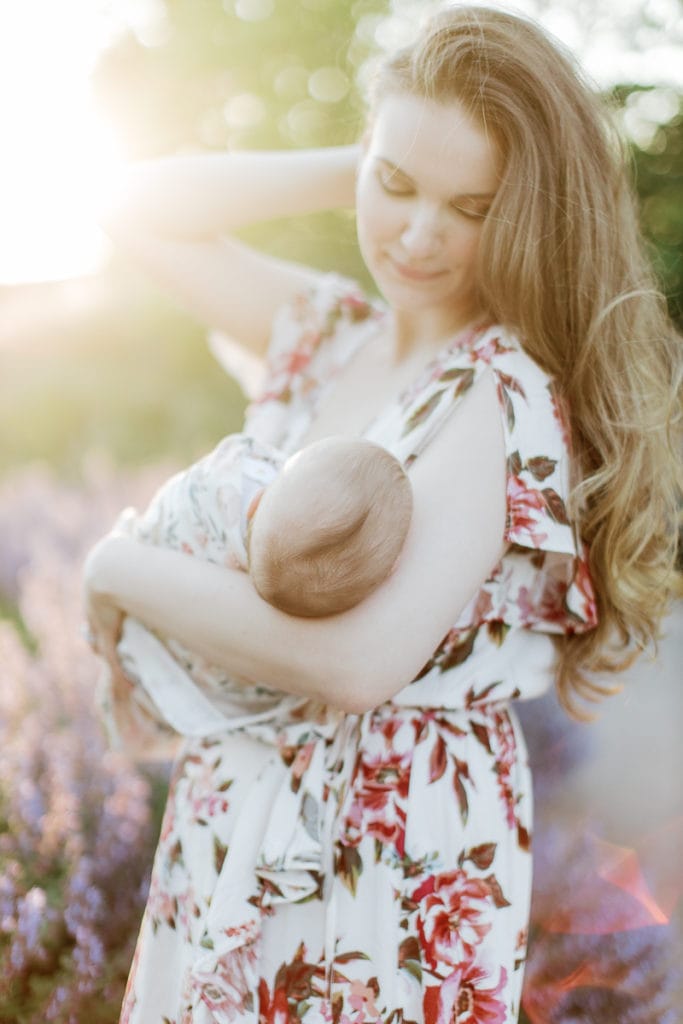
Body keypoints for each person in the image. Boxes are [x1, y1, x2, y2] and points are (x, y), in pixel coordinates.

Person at [83, 5, 682, 1022]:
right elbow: (134, 207)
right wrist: (364, 153)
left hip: (387, 845)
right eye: (394, 186)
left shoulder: (500, 390)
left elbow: (357, 664)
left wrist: (116, 565)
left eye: (472, 206)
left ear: (531, 212)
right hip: (235, 810)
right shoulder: (325, 333)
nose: (415, 234)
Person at [101, 432, 412, 750]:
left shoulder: (233, 478)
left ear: (256, 502)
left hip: (140, 607)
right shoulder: (317, 608)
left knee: (121, 679)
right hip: (196, 683)